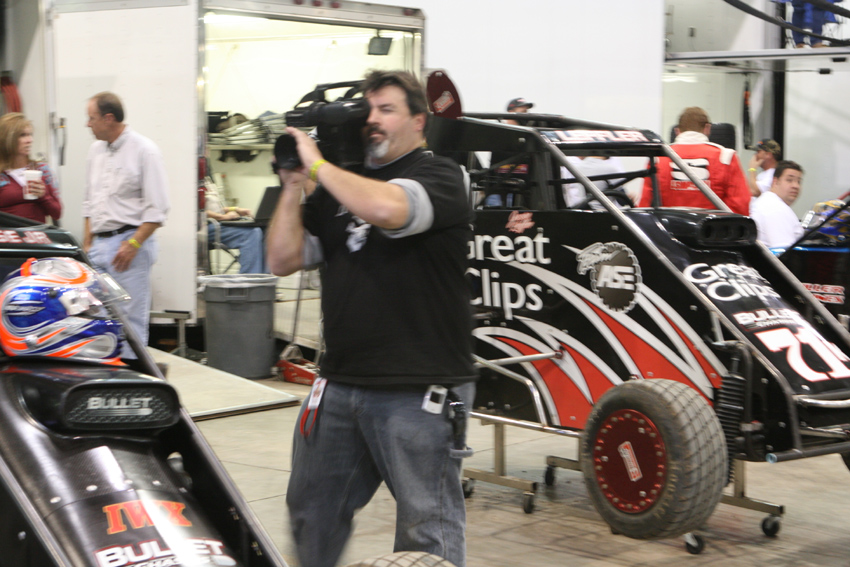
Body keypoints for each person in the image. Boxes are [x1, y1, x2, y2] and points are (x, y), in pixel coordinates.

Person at [267, 70, 476, 567]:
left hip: (417, 386)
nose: (372, 119)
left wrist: (319, 166)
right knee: (312, 510)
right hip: (341, 383)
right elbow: (281, 258)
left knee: (427, 523)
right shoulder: (337, 187)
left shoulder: (441, 175)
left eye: (386, 109)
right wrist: (293, 186)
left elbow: (388, 209)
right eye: (369, 110)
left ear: (419, 121)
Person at [82, 92, 170, 356]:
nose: (88, 124)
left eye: (92, 118)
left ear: (109, 118)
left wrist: (133, 244)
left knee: (130, 319)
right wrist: (87, 244)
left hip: (129, 245)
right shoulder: (95, 151)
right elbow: (89, 201)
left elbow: (158, 208)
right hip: (98, 247)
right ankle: (102, 371)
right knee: (95, 315)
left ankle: (131, 372)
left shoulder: (144, 150)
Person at [639, 106, 750, 215]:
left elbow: (644, 206)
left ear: (677, 131)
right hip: (713, 226)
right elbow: (740, 206)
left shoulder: (658, 158)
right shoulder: (726, 157)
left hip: (669, 226)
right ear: (707, 128)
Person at [0, 113, 62, 223]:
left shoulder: (43, 170)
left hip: (38, 232)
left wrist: (44, 195)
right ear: (8, 139)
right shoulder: (2, 176)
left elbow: (57, 213)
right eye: (22, 135)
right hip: (8, 233)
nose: (30, 140)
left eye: (30, 134)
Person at [204, 178, 266, 273]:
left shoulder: (207, 179)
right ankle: (248, 279)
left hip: (215, 222)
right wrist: (222, 217)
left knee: (263, 230)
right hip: (202, 227)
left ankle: (263, 278)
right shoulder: (190, 178)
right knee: (250, 234)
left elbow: (214, 209)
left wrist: (235, 209)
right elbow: (194, 209)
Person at [750, 160, 805, 248]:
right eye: (789, 180)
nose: (796, 186)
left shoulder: (770, 202)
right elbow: (783, 251)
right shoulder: (774, 207)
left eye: (798, 181)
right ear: (775, 182)